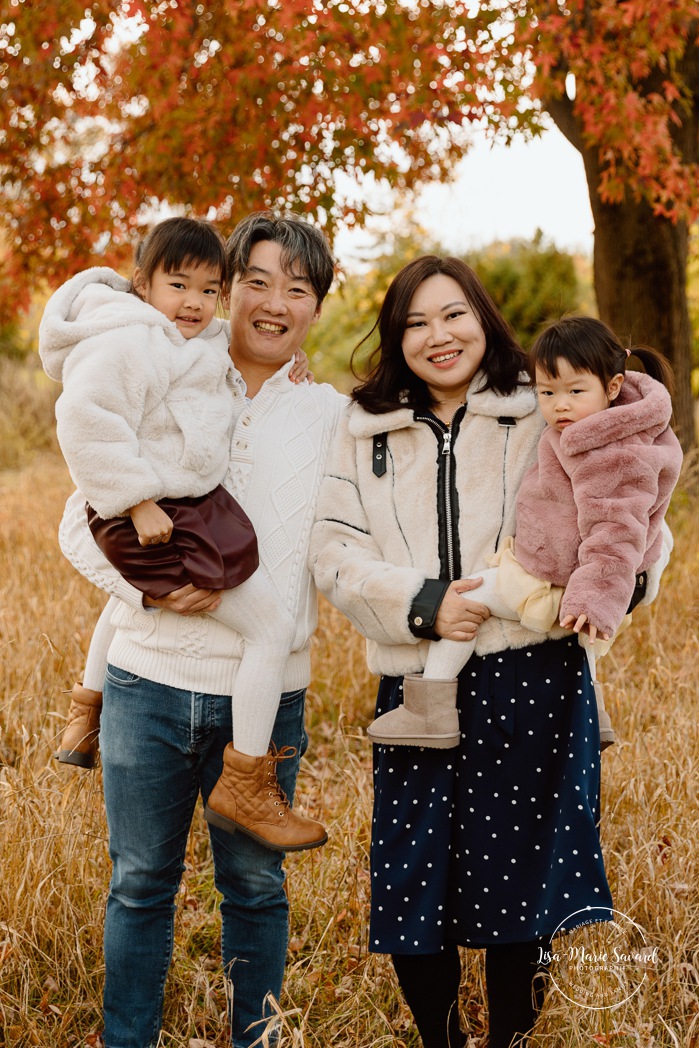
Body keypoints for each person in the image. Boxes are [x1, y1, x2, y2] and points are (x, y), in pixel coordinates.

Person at [309, 256, 655, 1047]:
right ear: (394, 338)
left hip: (531, 673)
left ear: (483, 317)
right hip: (417, 683)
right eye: (415, 323)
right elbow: (331, 549)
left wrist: (618, 586)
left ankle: (507, 1040)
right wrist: (425, 606)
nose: (438, 336)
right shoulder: (362, 427)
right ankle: (441, 1040)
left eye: (453, 314)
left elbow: (631, 502)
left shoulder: (540, 407)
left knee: (519, 893)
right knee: (411, 885)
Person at [56, 212, 346, 1048]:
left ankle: (255, 1039)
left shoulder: (332, 415)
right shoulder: (170, 373)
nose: (273, 302)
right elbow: (79, 524)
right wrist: (147, 589)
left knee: (255, 889)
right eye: (256, 280)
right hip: (147, 686)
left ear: (316, 308)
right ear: (229, 290)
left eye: (297, 289)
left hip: (267, 699)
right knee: (141, 884)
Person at [40, 215, 326, 853]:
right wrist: (136, 504)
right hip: (152, 511)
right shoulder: (130, 345)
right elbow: (84, 426)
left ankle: (85, 712)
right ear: (142, 286)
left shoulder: (191, 340)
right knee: (269, 625)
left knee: (253, 888)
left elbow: (234, 341)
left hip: (167, 504)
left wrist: (286, 363)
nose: (194, 302)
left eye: (208, 289)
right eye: (179, 286)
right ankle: (247, 781)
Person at [366, 315, 682, 751]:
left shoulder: (607, 448)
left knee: (467, 599)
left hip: (560, 572)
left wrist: (595, 594)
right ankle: (596, 711)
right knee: (581, 642)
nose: (560, 406)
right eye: (547, 393)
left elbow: (618, 529)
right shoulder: (607, 426)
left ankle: (429, 707)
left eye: (575, 391)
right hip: (564, 565)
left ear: (612, 387)